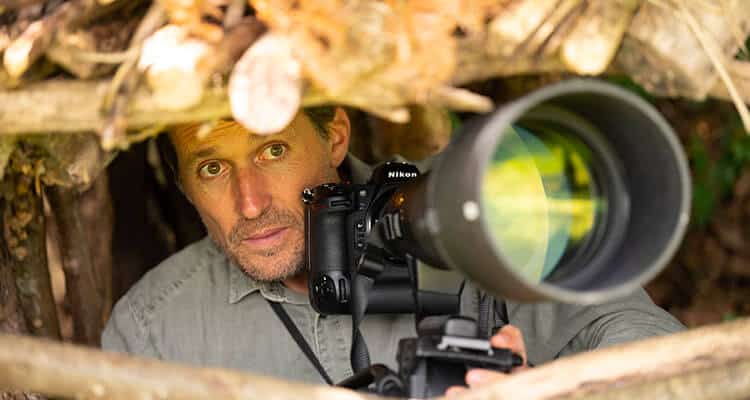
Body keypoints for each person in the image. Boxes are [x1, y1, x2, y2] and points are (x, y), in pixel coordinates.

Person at [101, 106, 685, 391]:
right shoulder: (154, 330)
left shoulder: (471, 209)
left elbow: (649, 342)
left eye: (273, 151)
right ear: (184, 186)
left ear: (334, 135)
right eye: (211, 168)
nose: (249, 204)